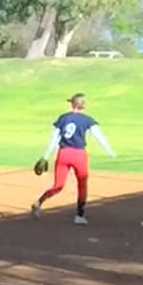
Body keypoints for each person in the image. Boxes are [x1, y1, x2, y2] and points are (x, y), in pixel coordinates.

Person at [32, 93, 116, 226]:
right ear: (83, 105)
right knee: (82, 184)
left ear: (73, 104)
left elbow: (54, 139)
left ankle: (39, 202)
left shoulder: (63, 118)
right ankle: (79, 215)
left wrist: (45, 156)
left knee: (58, 185)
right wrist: (110, 151)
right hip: (79, 155)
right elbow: (99, 137)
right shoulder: (88, 120)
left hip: (63, 154)